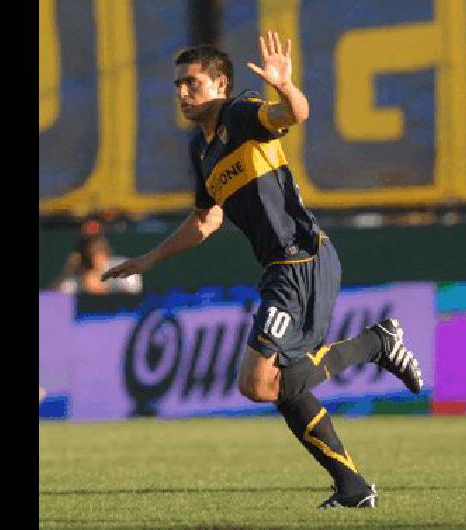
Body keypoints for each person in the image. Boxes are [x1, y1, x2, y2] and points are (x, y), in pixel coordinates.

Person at [101, 33, 423, 509]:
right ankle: (353, 488)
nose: (183, 92)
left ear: (221, 83)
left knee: (259, 384)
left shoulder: (240, 112)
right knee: (279, 386)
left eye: (193, 83)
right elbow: (207, 219)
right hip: (281, 268)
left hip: (301, 259)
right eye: (178, 85)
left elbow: (294, 114)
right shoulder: (202, 149)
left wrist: (285, 87)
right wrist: (149, 259)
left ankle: (378, 342)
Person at [51, 220, 142, 295]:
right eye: (88, 250)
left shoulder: (123, 268)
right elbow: (49, 300)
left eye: (97, 249)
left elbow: (133, 299)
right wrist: (67, 272)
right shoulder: (75, 278)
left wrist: (100, 289)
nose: (92, 256)